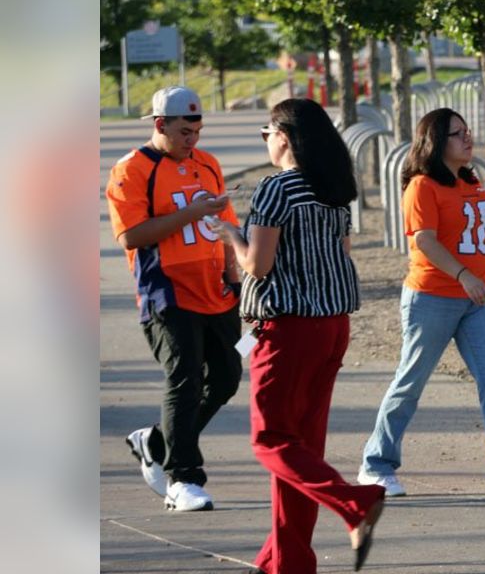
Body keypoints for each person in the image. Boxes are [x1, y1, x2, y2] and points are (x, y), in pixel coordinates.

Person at [210, 98, 385, 573]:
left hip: (288, 328)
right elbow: (340, 251)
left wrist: (230, 235)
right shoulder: (333, 189)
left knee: (270, 440)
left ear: (283, 136)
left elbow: (258, 265)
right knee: (301, 448)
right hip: (332, 326)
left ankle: (355, 502)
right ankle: (286, 561)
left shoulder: (276, 189)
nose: (265, 141)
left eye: (266, 132)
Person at [359, 108, 485, 498]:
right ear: (434, 142)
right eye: (457, 134)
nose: (468, 138)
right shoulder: (422, 186)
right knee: (410, 383)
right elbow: (425, 241)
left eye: (467, 131)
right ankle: (376, 464)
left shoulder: (473, 182)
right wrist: (462, 275)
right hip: (431, 297)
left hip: (479, 300)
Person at [106, 86, 242, 513]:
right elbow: (131, 235)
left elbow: (224, 226)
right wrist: (191, 213)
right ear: (160, 124)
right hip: (166, 289)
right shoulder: (132, 169)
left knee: (225, 379)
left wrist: (235, 278)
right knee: (183, 378)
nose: (192, 140)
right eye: (185, 131)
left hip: (214, 289)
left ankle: (156, 441)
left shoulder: (207, 163)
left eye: (197, 130)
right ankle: (183, 478)